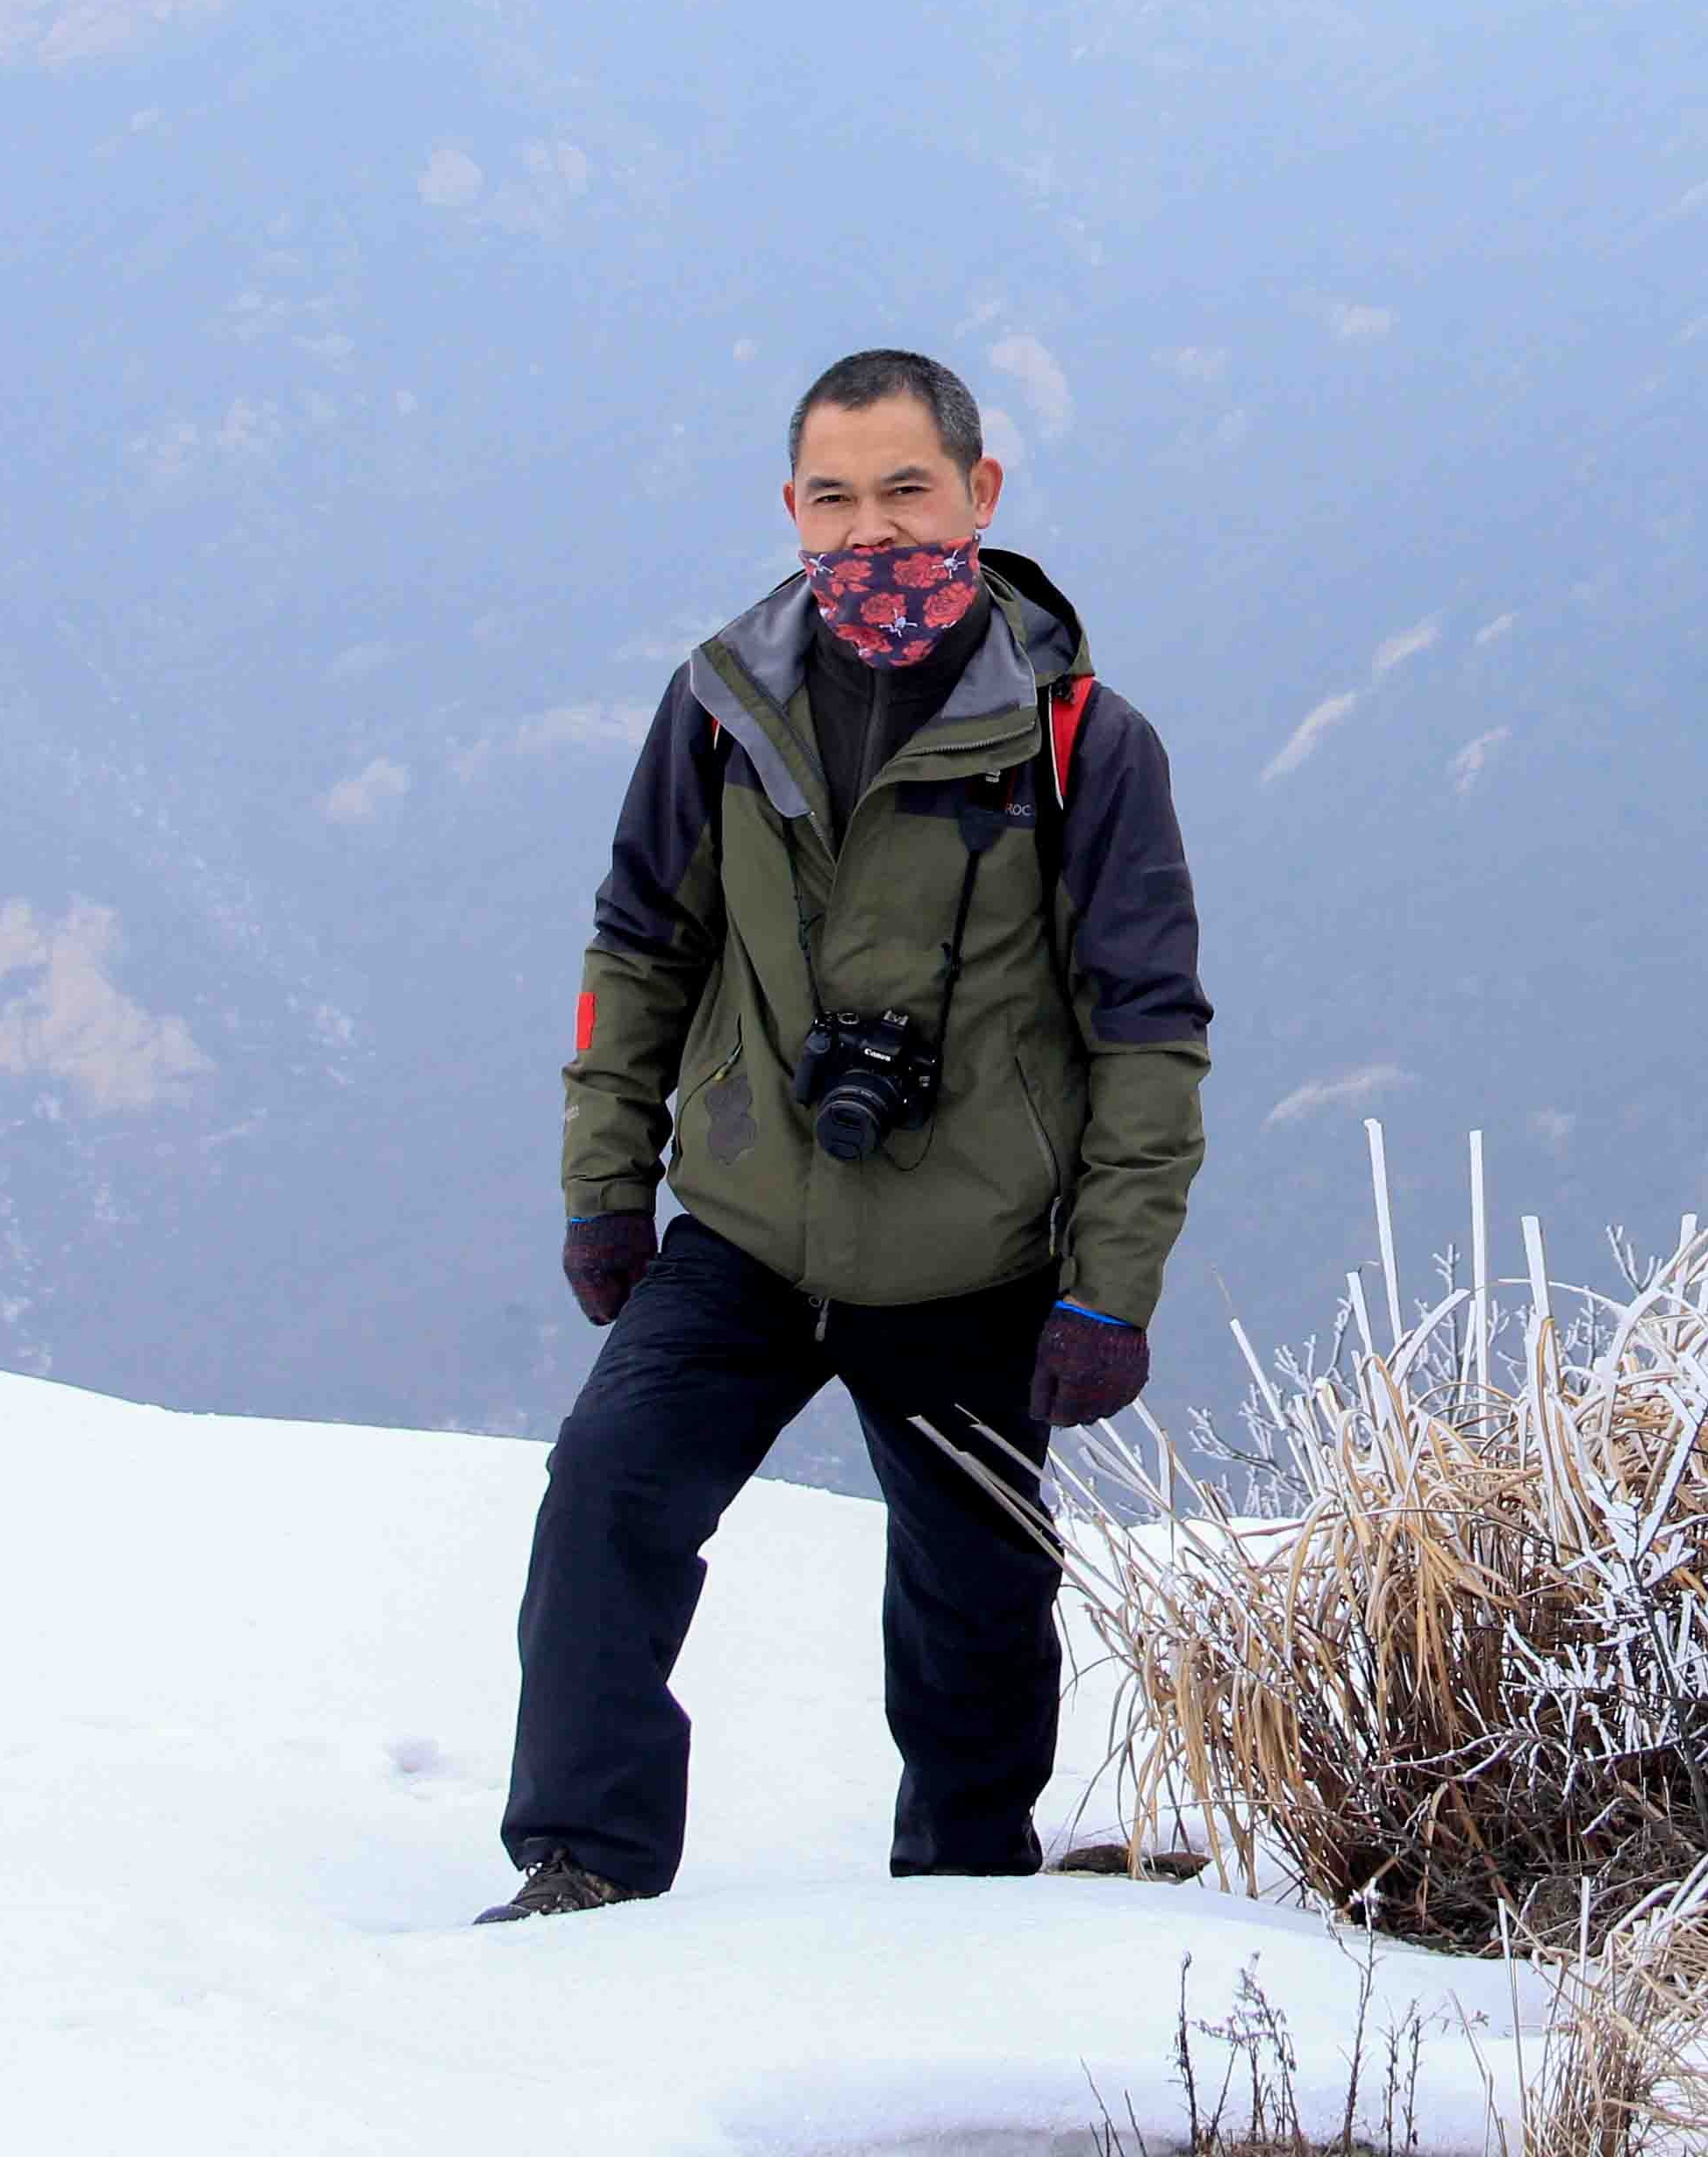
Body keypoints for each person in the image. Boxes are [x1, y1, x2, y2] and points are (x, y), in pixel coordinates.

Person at [482, 346, 1211, 1921]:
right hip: (748, 1228)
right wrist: (606, 1190)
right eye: (836, 499)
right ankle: (583, 1865)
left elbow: (1147, 1037)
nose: (871, 535)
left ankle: (961, 1893)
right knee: (608, 1492)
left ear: (980, 493)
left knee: (979, 1599)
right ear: (791, 509)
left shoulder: (1085, 741)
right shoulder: (724, 705)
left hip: (971, 1251)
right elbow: (638, 954)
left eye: (906, 492)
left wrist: (1110, 1290)